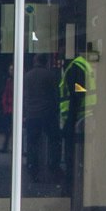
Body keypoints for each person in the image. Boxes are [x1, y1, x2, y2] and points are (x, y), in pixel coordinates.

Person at [58, 45, 96, 209]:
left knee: (73, 157)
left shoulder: (75, 68)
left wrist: (70, 123)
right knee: (83, 158)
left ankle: (72, 191)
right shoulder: (85, 66)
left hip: (78, 119)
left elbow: (76, 95)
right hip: (86, 117)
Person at [22, 53, 62, 183]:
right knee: (54, 141)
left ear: (35, 61)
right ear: (46, 62)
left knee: (32, 143)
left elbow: (25, 97)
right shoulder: (51, 76)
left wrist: (26, 113)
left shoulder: (27, 76)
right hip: (48, 114)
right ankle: (53, 166)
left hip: (32, 115)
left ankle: (32, 168)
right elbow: (56, 95)